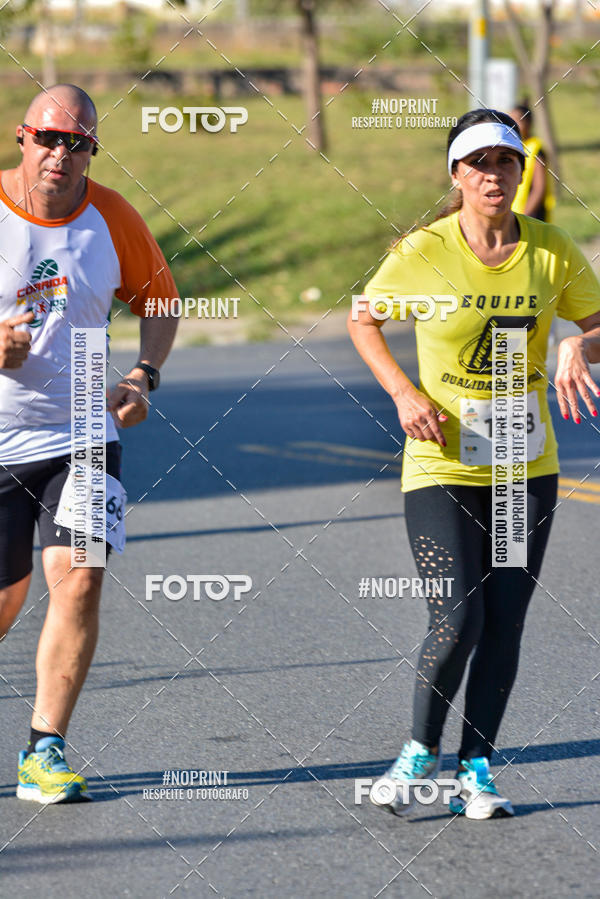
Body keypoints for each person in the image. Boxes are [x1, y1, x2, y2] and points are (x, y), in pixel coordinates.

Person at [347, 108, 600, 819]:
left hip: (522, 465)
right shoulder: (423, 250)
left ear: (523, 173)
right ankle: (419, 749)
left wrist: (579, 345)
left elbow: (596, 323)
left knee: (506, 619)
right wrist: (402, 392)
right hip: (443, 462)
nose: (494, 175)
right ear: (456, 175)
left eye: (507, 163)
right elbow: (363, 316)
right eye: (479, 164)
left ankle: (477, 766)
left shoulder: (549, 251)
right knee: (457, 617)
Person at [0, 84, 178, 803]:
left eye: (77, 143)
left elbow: (161, 299)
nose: (60, 155)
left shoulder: (111, 215)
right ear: (22, 137)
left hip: (82, 428)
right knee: (5, 605)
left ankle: (47, 747)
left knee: (81, 575)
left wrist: (142, 374)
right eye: (49, 138)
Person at [510, 103, 555, 223]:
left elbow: (539, 189)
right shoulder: (513, 147)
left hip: (531, 216)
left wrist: (524, 215)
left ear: (528, 124)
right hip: (514, 214)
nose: (513, 125)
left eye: (517, 120)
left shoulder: (536, 149)